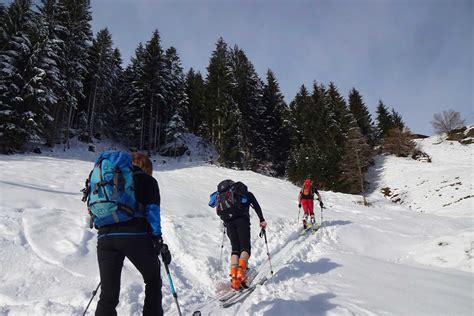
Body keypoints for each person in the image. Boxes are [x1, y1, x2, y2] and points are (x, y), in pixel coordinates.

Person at [94, 152, 171, 316]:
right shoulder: (147, 180)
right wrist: (157, 239)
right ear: (146, 167)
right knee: (152, 279)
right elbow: (152, 211)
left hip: (105, 236)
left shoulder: (108, 177)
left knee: (108, 294)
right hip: (134, 234)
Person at [210, 179, 267, 291]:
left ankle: (235, 279)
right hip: (242, 222)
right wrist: (261, 220)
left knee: (235, 250)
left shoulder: (222, 197)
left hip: (229, 224)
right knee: (245, 248)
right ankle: (241, 272)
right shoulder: (246, 194)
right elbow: (256, 206)